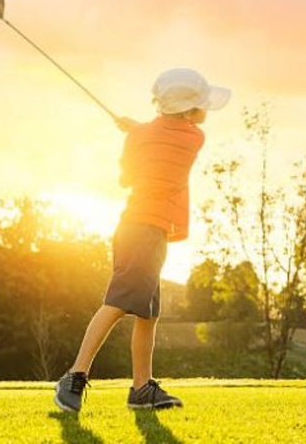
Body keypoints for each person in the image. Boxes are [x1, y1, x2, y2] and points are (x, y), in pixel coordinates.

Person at [54, 68, 231, 412]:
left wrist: (136, 133)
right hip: (145, 231)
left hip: (138, 228)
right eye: (202, 104)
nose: (206, 110)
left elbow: (125, 178)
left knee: (147, 314)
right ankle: (74, 374)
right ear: (187, 110)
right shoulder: (194, 138)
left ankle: (141, 389)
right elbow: (165, 136)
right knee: (119, 302)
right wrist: (137, 130)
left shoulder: (139, 138)